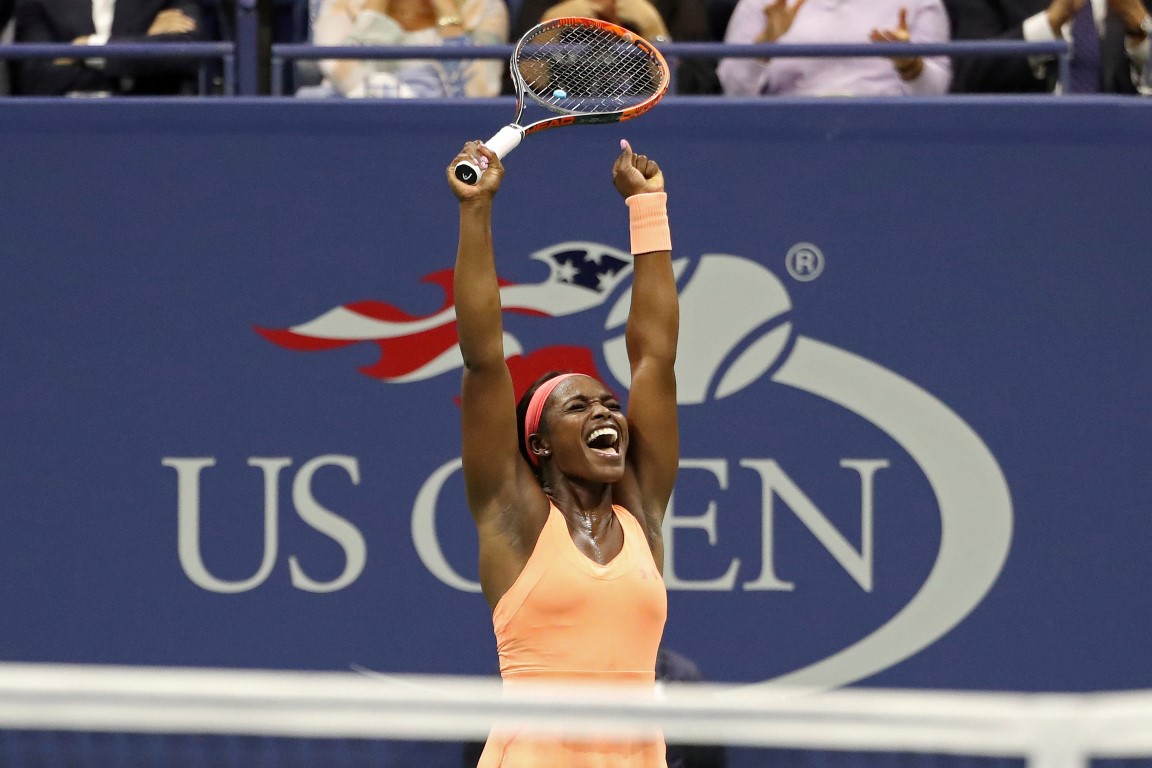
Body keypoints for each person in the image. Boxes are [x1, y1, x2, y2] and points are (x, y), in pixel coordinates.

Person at [446, 138, 680, 767]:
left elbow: (654, 359)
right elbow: (483, 359)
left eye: (608, 405)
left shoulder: (642, 512)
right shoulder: (513, 518)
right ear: (538, 443)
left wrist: (647, 210)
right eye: (579, 407)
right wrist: (476, 210)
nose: (606, 412)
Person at [717, 0, 952, 96]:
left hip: (888, 134)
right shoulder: (760, 4)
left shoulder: (919, 2)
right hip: (786, 135)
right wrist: (764, 45)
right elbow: (734, 90)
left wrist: (910, 65)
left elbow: (935, 92)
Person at [509, 0, 722, 93]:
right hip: (564, 125)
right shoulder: (547, 4)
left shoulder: (678, 6)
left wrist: (652, 29)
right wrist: (548, 29)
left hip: (650, 128)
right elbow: (515, 91)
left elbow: (695, 92)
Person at [309, 0, 507, 97]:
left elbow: (477, 94)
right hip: (354, 126)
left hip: (447, 133)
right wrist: (375, 8)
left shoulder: (483, 7)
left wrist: (447, 13)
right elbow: (344, 76)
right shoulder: (341, 4)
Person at [945, 0, 1150, 93]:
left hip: (1126, 151)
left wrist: (1140, 27)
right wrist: (1049, 24)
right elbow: (969, 74)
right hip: (1024, 149)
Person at [12, 0, 202, 95]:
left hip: (150, 124)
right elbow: (36, 78)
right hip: (67, 125)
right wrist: (142, 44)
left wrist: (86, 48)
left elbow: (184, 52)